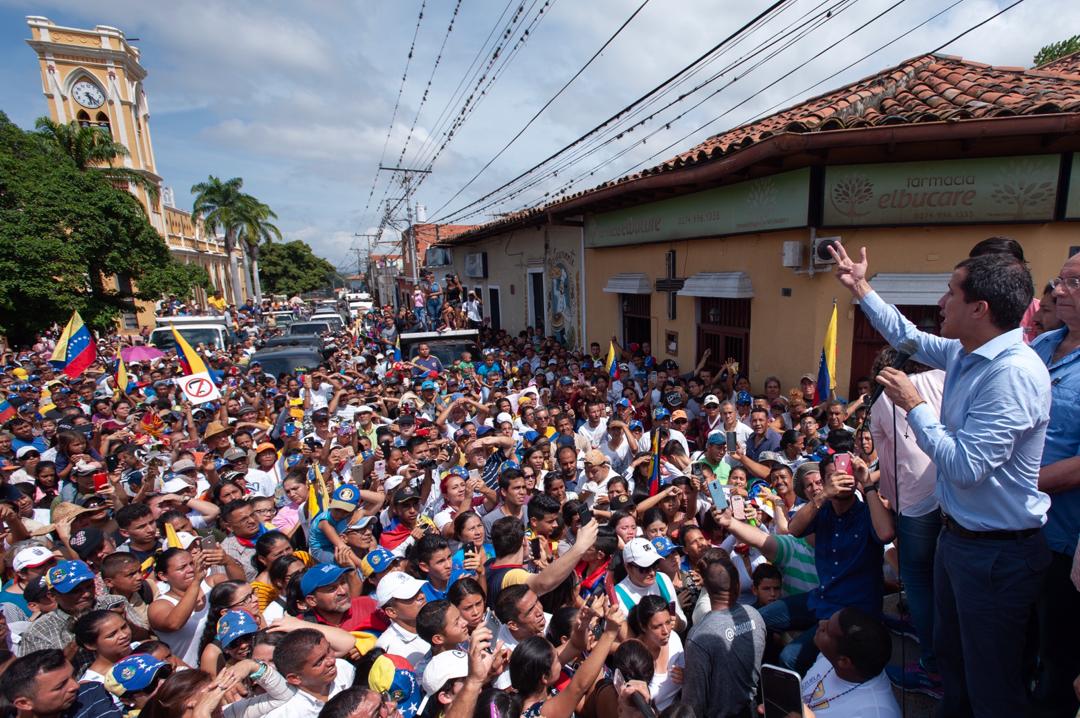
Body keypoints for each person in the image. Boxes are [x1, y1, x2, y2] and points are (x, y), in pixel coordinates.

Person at [831, 242, 1052, 717]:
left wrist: (914, 405)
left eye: (950, 292)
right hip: (960, 542)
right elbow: (907, 337)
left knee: (992, 683)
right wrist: (860, 286)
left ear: (980, 308)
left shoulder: (1011, 374)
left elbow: (966, 466)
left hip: (996, 554)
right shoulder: (967, 353)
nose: (941, 302)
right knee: (954, 664)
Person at [868, 347, 946, 696]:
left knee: (917, 579)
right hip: (952, 496)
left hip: (914, 502)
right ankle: (926, 632)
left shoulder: (887, 395)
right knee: (940, 579)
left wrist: (872, 485)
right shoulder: (943, 378)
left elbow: (881, 447)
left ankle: (932, 668)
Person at [1029, 252, 1080, 717]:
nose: (1059, 291)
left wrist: (1021, 483)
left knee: (1057, 661)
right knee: (1013, 646)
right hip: (1016, 528)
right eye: (1060, 281)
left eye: (1074, 283)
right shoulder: (1044, 345)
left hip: (1063, 541)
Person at [682, 554, 765, 718]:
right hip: (752, 710)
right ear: (738, 586)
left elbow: (693, 701)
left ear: (707, 589)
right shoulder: (755, 616)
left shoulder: (699, 636)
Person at [800, 607, 900, 718]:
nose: (821, 623)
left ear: (844, 661)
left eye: (826, 630)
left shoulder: (876, 713)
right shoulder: (833, 655)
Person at [0, 649, 122, 718]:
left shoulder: (90, 693)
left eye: (73, 676)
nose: (75, 686)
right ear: (24, 703)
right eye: (60, 686)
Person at [263, 628, 355, 718]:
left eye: (329, 650)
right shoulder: (284, 714)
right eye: (319, 661)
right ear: (295, 678)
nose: (331, 661)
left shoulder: (344, 669)